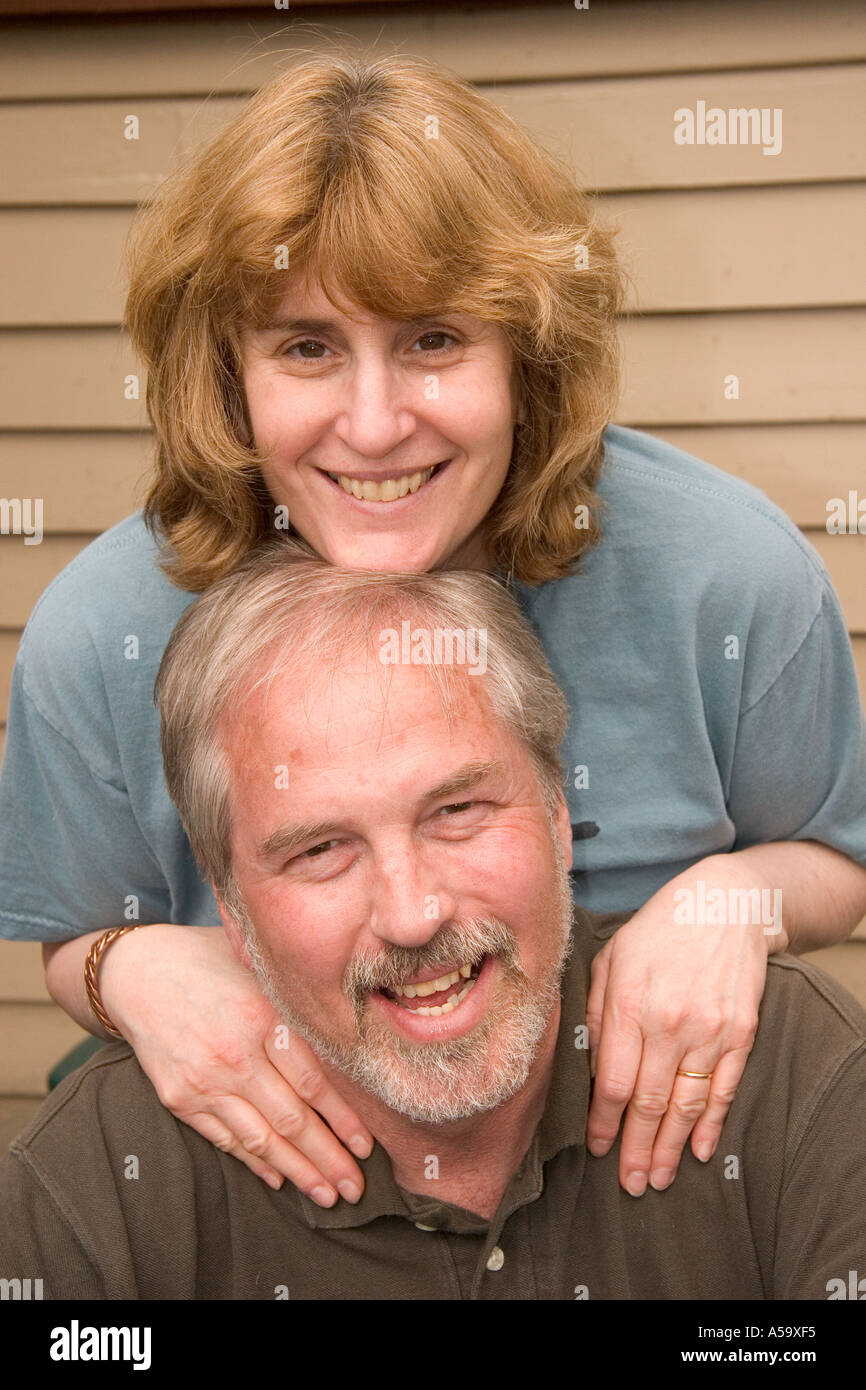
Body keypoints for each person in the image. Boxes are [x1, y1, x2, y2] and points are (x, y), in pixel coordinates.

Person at [1, 49, 865, 1210]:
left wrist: (729, 899)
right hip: (288, 1197)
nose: (372, 425)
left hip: (635, 1178)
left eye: (434, 340)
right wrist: (127, 969)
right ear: (226, 374)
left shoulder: (726, 576)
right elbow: (76, 932)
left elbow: (834, 856)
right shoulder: (99, 631)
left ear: (525, 353)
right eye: (305, 346)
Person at [1, 550, 864, 1301]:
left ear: (560, 814)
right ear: (228, 903)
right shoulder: (101, 1183)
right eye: (320, 851)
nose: (413, 916)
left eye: (456, 810)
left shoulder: (790, 1080)